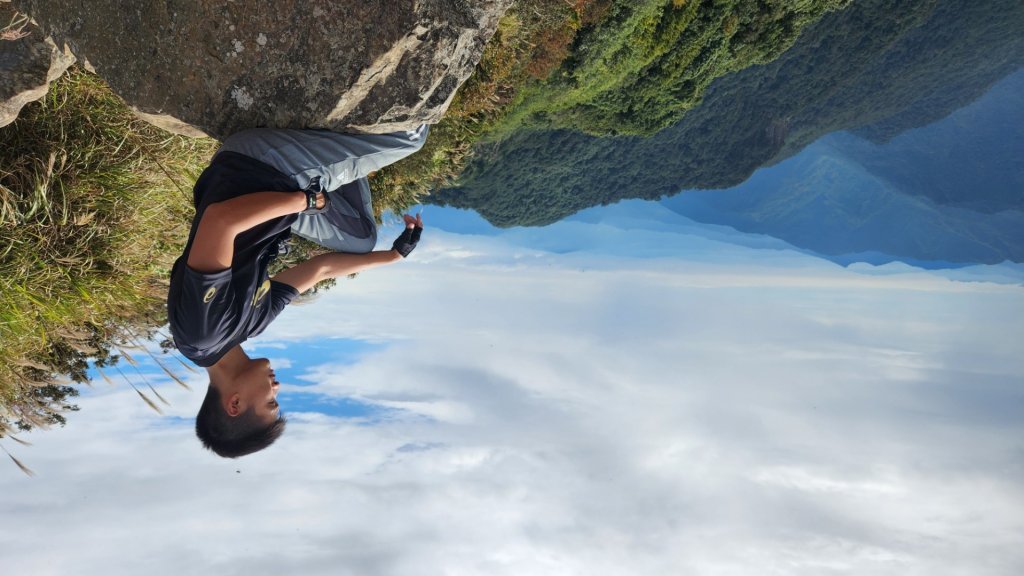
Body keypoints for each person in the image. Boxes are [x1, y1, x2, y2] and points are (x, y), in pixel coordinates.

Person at [166, 126, 429, 458]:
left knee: (410, 138)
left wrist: (303, 199)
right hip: (277, 193)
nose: (277, 388)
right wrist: (392, 257)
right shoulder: (245, 330)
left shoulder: (202, 334)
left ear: (234, 403)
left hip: (256, 169)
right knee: (360, 239)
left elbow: (218, 222)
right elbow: (319, 271)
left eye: (271, 401)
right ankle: (338, 152)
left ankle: (339, 151)